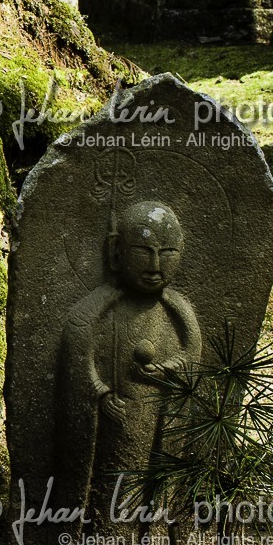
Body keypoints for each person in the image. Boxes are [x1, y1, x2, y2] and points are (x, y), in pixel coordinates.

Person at [55, 199, 201, 525]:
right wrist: (100, 393)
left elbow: (192, 354)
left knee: (157, 475)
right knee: (115, 479)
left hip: (160, 413)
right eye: (143, 252)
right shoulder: (100, 306)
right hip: (118, 412)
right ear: (116, 251)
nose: (154, 265)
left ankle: (155, 531)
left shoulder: (176, 309)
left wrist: (167, 370)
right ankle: (105, 531)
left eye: (167, 254)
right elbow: (78, 347)